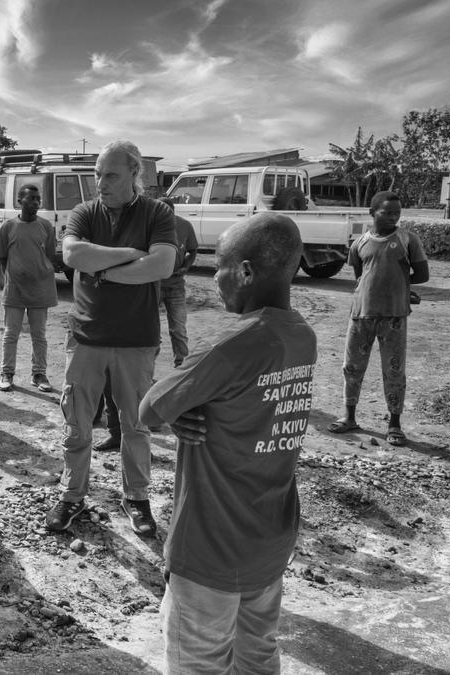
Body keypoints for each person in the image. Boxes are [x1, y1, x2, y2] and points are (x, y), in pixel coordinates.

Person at [139, 212, 317, 673]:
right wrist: (190, 412)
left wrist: (179, 413)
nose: (213, 278)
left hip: (211, 548)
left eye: (217, 265)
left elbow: (148, 410)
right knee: (258, 654)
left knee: (198, 662)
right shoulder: (302, 335)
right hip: (269, 542)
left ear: (245, 272)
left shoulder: (232, 344)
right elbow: (248, 409)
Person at [46, 140, 177, 537]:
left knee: (135, 426)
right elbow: (73, 256)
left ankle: (136, 497)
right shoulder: (84, 212)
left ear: (135, 174)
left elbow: (162, 265)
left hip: (136, 340)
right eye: (98, 175)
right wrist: (130, 255)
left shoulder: (157, 213)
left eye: (110, 175)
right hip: (86, 337)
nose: (100, 183)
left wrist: (101, 269)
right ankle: (72, 495)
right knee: (77, 423)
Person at [327, 191, 428, 446]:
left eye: (397, 213)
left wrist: (400, 286)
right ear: (372, 213)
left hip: (394, 316)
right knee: (352, 367)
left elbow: (422, 274)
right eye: (388, 212)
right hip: (361, 314)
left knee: (394, 369)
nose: (394, 217)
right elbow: (361, 277)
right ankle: (349, 417)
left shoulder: (407, 239)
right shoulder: (359, 243)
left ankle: (394, 425)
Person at [0, 184, 57, 393]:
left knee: (39, 335)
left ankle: (39, 374)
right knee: (11, 334)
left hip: (40, 290)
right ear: (20, 201)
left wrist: (40, 271)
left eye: (38, 199)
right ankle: (7, 373)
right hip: (15, 291)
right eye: (31, 199)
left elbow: (50, 256)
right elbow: (0, 258)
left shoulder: (47, 227)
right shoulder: (8, 227)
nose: (36, 203)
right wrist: (5, 283)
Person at [159, 197, 199, 367]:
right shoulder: (150, 227)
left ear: (173, 212)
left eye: (168, 213)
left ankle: (181, 367)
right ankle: (145, 369)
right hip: (152, 285)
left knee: (178, 329)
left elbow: (192, 250)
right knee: (150, 330)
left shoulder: (184, 226)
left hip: (176, 285)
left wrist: (186, 266)